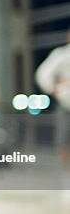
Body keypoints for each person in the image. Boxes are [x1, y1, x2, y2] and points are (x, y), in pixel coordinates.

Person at [35, 29, 70, 168]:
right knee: (64, 138)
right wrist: (54, 89)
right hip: (65, 103)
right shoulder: (61, 54)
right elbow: (42, 74)